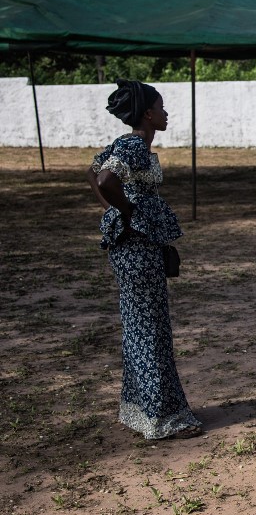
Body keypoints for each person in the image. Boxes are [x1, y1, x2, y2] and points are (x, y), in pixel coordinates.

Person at [86, 79, 202, 439]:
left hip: (134, 247)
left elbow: (92, 173)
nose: (166, 113)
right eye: (162, 107)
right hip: (136, 249)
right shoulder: (134, 145)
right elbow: (104, 179)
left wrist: (117, 213)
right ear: (148, 114)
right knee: (150, 330)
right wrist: (129, 213)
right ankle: (160, 419)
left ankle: (142, 411)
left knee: (140, 328)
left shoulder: (127, 145)